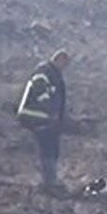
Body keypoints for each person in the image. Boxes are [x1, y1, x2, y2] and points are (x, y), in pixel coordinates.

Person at [16, 50, 70, 194]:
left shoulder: (54, 75)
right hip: (38, 117)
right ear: (59, 59)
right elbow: (41, 93)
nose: (65, 67)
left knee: (51, 148)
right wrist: (51, 111)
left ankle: (51, 180)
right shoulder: (44, 72)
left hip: (47, 119)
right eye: (64, 64)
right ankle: (49, 182)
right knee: (48, 149)